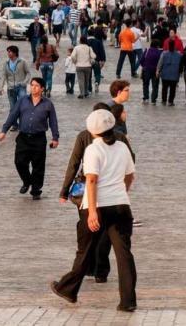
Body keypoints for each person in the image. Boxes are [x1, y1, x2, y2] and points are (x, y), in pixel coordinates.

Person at [52, 110, 137, 312]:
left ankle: (68, 289)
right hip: (121, 206)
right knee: (124, 254)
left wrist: (91, 211)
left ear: (93, 130)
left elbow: (91, 180)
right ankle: (128, 301)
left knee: (86, 250)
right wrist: (121, 191)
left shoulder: (93, 149)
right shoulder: (123, 147)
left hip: (98, 206)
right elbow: (130, 176)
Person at [0, 77, 59, 200]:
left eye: (36, 86)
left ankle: (36, 190)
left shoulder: (48, 104)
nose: (33, 88)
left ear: (42, 88)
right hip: (23, 137)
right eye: (32, 85)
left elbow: (53, 121)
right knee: (19, 162)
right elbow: (12, 115)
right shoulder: (22, 101)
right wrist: (4, 130)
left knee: (38, 165)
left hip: (39, 139)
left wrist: (55, 138)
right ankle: (27, 181)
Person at [0, 46, 31, 118]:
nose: (8, 53)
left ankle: (23, 122)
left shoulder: (22, 62)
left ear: (15, 53)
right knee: (13, 108)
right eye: (8, 52)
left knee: (23, 105)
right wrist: (1, 87)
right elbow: (3, 76)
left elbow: (28, 73)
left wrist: (24, 82)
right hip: (10, 88)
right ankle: (14, 124)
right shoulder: (6, 63)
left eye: (10, 52)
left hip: (21, 87)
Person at [156, 42, 182, 106]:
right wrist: (181, 73)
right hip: (174, 74)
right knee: (172, 89)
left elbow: (160, 63)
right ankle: (170, 101)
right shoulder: (179, 55)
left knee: (164, 88)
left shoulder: (164, 53)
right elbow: (181, 65)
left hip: (165, 74)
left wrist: (158, 70)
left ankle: (164, 100)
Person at [139, 40, 162, 104]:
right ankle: (153, 99)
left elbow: (141, 60)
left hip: (146, 70)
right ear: (157, 46)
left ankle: (146, 98)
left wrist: (144, 65)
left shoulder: (147, 50)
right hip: (155, 70)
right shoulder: (159, 52)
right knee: (155, 85)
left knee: (146, 84)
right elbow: (161, 62)